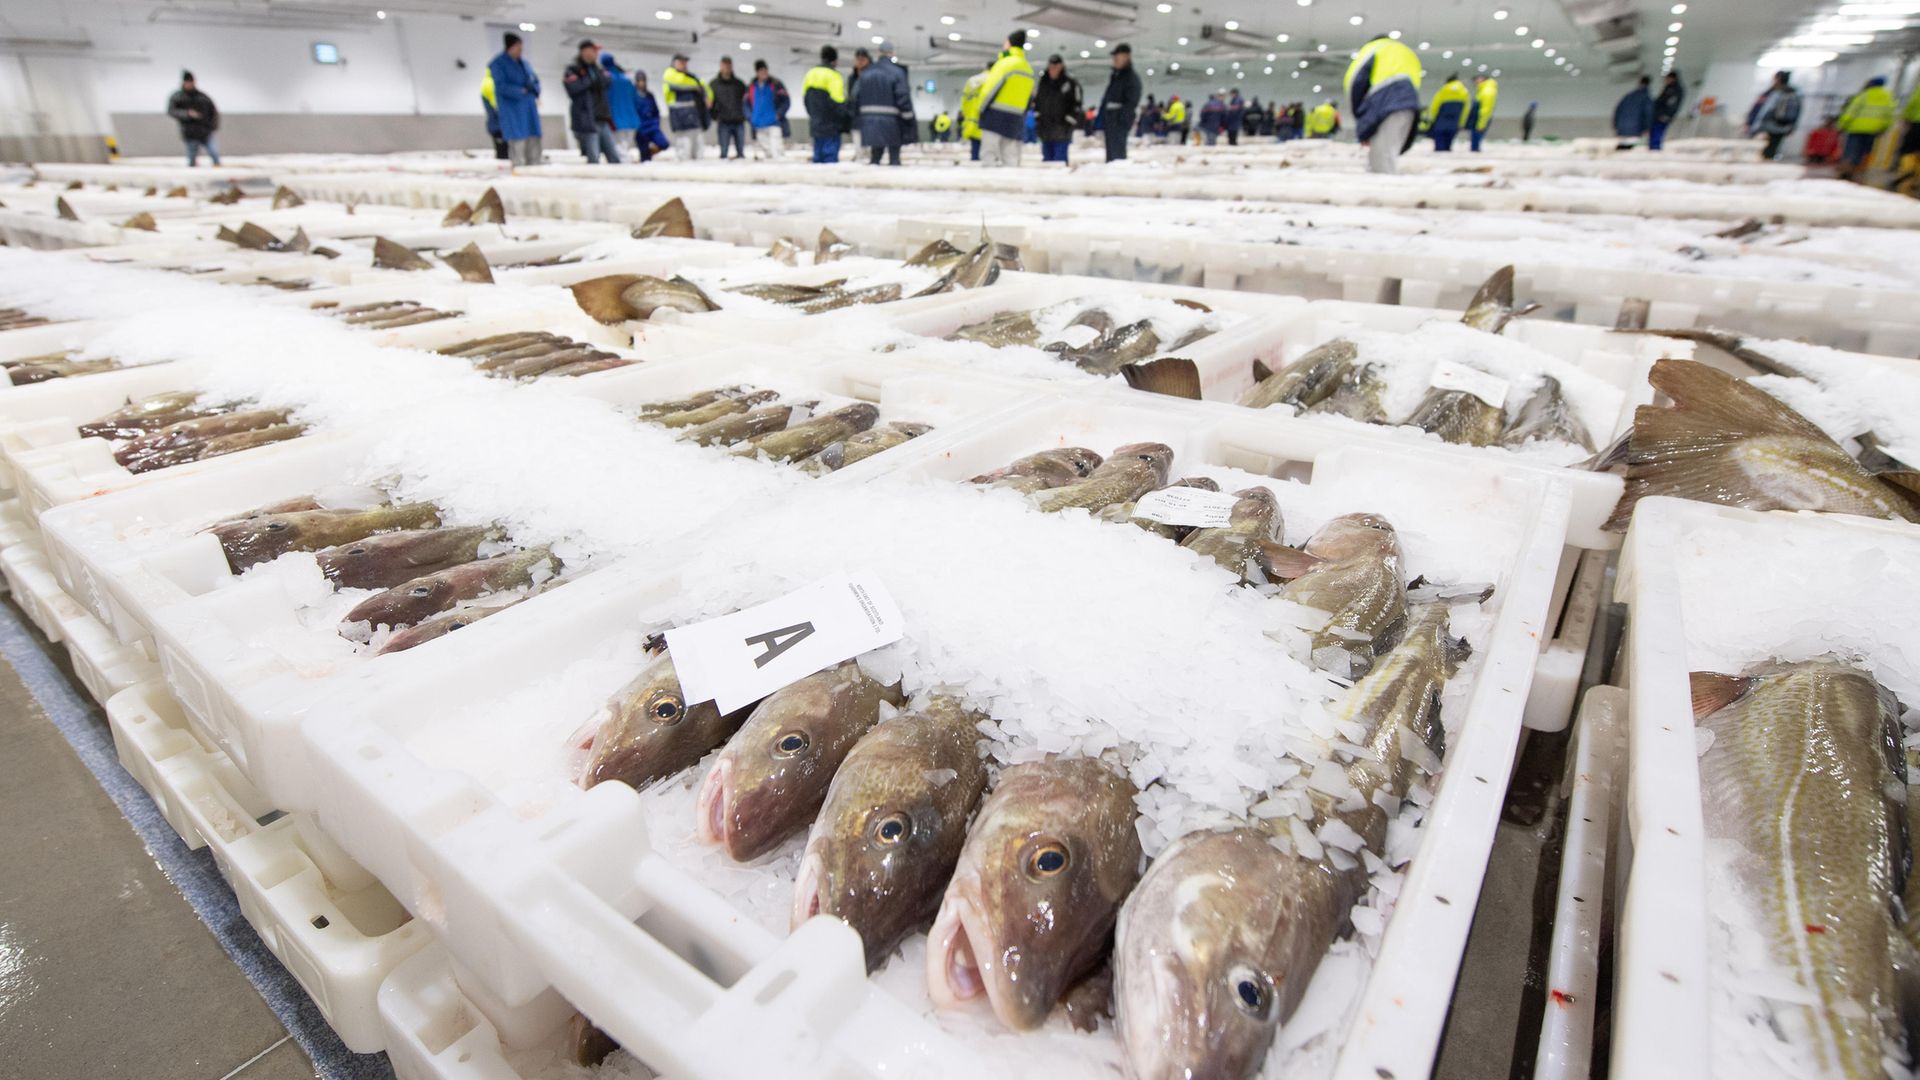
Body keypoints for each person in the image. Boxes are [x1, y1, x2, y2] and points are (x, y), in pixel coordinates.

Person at [1344, 34, 1422, 173]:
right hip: (1410, 107)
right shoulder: (1408, 53)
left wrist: (1361, 126)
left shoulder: (1373, 48)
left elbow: (1354, 83)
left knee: (1381, 161)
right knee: (1390, 155)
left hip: (1384, 105)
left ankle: (1381, 193)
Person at [978, 30, 1036, 167]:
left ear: (1009, 43)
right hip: (1015, 118)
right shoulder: (1028, 68)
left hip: (995, 116)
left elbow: (990, 89)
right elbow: (1029, 97)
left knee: (989, 155)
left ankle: (989, 186)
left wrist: (981, 109)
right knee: (1010, 156)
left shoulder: (1004, 63)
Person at [488, 33, 543, 166]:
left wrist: (534, 89)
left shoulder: (524, 63)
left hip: (529, 107)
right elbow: (500, 86)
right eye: (518, 47)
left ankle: (535, 167)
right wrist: (520, 91)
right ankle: (519, 170)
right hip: (512, 109)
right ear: (510, 47)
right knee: (517, 141)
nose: (520, 50)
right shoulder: (498, 64)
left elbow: (534, 79)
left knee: (534, 139)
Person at [852, 46, 910, 166]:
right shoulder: (897, 72)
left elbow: (855, 96)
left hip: (870, 121)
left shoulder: (866, 73)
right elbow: (903, 97)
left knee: (875, 158)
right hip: (892, 122)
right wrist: (908, 117)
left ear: (878, 54)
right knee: (894, 159)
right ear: (892, 53)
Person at [564, 40, 620, 164]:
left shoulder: (598, 70)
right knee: (593, 157)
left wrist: (596, 75)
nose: (595, 54)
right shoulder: (573, 70)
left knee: (614, 156)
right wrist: (589, 80)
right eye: (592, 51)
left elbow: (607, 82)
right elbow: (573, 88)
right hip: (587, 120)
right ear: (584, 52)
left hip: (602, 118)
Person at [1836, 76, 1896, 178]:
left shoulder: (1864, 95)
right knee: (1865, 151)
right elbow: (1889, 115)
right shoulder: (1888, 97)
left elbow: (1851, 112)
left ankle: (1847, 170)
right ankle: (1859, 171)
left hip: (1856, 128)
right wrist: (1885, 127)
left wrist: (1842, 125)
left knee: (1851, 149)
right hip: (1874, 129)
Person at [802, 46, 848, 163]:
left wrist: (814, 117)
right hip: (831, 127)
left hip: (815, 125)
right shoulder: (834, 76)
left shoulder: (810, 74)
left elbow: (806, 100)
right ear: (835, 60)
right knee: (829, 161)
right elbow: (838, 102)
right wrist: (844, 121)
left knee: (817, 159)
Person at [1034, 54, 1083, 163]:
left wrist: (1068, 122)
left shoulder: (1071, 84)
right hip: (1045, 130)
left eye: (1056, 66)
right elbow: (1036, 103)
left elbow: (1077, 105)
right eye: (1051, 66)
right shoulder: (1043, 83)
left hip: (1062, 131)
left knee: (1059, 162)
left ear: (1061, 66)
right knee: (1047, 162)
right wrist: (1038, 119)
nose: (1053, 69)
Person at [1099, 44, 1142, 163]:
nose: (1114, 60)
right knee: (1111, 153)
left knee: (1117, 154)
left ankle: (1117, 176)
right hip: (1112, 119)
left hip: (1118, 119)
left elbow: (1132, 101)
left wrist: (1121, 118)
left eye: (1117, 57)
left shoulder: (1130, 78)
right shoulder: (1116, 76)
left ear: (1126, 57)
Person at [1745, 71, 1801, 161]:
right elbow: (1797, 112)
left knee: (1761, 151)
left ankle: (1761, 168)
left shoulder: (1771, 93)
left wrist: (1749, 122)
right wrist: (1792, 127)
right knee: (1770, 151)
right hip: (1782, 127)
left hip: (1766, 126)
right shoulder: (1793, 94)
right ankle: (1765, 166)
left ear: (1778, 79)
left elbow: (1758, 109)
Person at [663, 54, 710, 159]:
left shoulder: (691, 77)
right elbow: (682, 83)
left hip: (694, 116)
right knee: (683, 147)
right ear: (674, 63)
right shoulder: (670, 75)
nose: (684, 65)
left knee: (698, 145)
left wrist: (705, 96)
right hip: (680, 118)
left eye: (685, 62)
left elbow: (703, 87)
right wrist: (696, 87)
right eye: (681, 62)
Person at [168, 71, 220, 167]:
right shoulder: (178, 97)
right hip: (190, 132)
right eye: (187, 82)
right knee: (192, 158)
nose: (189, 84)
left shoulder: (202, 97)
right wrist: (187, 114)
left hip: (205, 130)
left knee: (214, 153)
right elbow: (172, 111)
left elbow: (213, 112)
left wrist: (213, 126)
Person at [745, 60, 790, 159]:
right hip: (758, 124)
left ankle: (781, 170)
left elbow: (786, 101)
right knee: (767, 152)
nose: (764, 72)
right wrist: (750, 117)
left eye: (765, 70)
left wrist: (778, 114)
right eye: (761, 70)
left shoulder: (776, 84)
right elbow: (745, 104)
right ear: (757, 72)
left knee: (777, 150)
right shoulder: (751, 87)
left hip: (774, 122)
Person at [709, 57, 749, 159]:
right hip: (723, 122)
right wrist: (714, 116)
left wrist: (745, 115)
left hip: (738, 121)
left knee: (741, 152)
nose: (727, 67)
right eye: (724, 65)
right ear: (721, 66)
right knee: (724, 152)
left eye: (729, 65)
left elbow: (747, 101)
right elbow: (709, 102)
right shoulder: (714, 85)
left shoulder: (739, 84)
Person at [631, 72, 670, 162]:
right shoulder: (632, 96)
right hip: (640, 129)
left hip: (652, 127)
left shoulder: (649, 96)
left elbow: (656, 111)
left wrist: (656, 123)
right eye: (639, 81)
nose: (641, 83)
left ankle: (649, 153)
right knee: (645, 158)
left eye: (643, 81)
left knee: (664, 144)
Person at [1428, 75, 1469, 152]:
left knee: (1439, 145)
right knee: (1448, 144)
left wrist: (1433, 118)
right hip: (1454, 122)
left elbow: (1434, 106)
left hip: (1441, 121)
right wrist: (1461, 123)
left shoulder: (1443, 90)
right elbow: (1465, 110)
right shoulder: (1464, 91)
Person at [961, 60, 992, 161]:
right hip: (990, 123)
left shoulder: (972, 80)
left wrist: (967, 116)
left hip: (973, 121)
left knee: (975, 151)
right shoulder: (995, 80)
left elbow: (964, 101)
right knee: (990, 156)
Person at [1614, 76, 1654, 148]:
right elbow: (1648, 113)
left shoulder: (1628, 96)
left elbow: (1618, 110)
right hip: (1636, 129)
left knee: (1624, 145)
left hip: (1622, 127)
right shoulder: (1646, 98)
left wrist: (1616, 125)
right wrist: (1647, 127)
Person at [1650, 72, 1685, 151]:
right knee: (1655, 131)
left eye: (1667, 78)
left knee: (1657, 132)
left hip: (1664, 115)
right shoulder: (1669, 88)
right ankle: (1654, 148)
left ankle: (1655, 148)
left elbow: (1672, 104)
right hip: (1660, 114)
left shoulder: (1675, 90)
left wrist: (1667, 114)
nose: (1665, 80)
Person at [480, 69, 507, 159]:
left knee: (498, 143)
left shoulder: (486, 81)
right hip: (498, 121)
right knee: (502, 144)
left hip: (493, 121)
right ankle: (503, 156)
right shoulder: (492, 83)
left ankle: (501, 155)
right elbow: (496, 103)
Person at [1469, 73, 1497, 152]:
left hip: (1480, 120)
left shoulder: (1487, 90)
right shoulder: (1483, 90)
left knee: (1476, 145)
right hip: (1480, 119)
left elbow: (1486, 109)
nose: (1475, 83)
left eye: (1476, 80)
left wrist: (1481, 124)